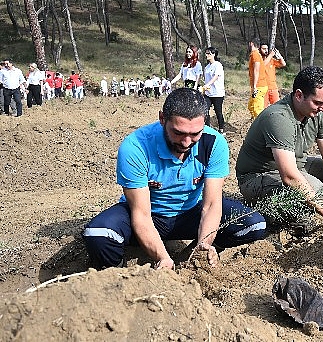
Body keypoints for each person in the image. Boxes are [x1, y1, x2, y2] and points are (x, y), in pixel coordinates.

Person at [82, 88, 267, 269]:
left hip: (189, 213)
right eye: (178, 133)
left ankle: (202, 252)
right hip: (149, 215)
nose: (186, 142)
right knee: (98, 234)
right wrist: (161, 257)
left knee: (254, 224)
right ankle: (120, 276)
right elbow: (141, 214)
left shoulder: (214, 143)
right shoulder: (136, 147)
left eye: (195, 134)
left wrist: (204, 245)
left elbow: (211, 205)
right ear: (162, 119)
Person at [236, 66, 323, 229]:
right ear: (299, 95)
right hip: (257, 178)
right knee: (315, 187)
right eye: (318, 102)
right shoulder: (279, 118)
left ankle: (312, 208)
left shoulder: (318, 114)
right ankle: (293, 217)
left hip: (293, 167)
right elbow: (290, 176)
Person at [201, 47, 225, 133]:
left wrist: (208, 84)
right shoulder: (207, 67)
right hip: (208, 93)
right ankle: (207, 128)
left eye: (209, 53)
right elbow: (206, 79)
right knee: (205, 109)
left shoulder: (218, 65)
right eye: (206, 53)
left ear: (213, 54)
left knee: (218, 111)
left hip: (217, 93)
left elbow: (216, 77)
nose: (207, 55)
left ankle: (221, 129)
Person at [247, 38, 269, 120]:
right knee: (251, 105)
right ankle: (255, 123)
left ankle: (261, 126)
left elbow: (257, 70)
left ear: (251, 44)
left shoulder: (255, 54)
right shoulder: (255, 54)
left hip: (259, 86)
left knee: (257, 109)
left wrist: (255, 86)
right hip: (258, 86)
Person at [260, 43, 286, 107]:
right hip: (264, 88)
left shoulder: (271, 60)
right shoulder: (259, 60)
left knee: (277, 106)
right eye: (263, 49)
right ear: (259, 50)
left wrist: (279, 55)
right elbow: (262, 65)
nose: (266, 50)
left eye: (266, 49)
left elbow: (283, 64)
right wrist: (271, 55)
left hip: (273, 87)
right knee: (263, 108)